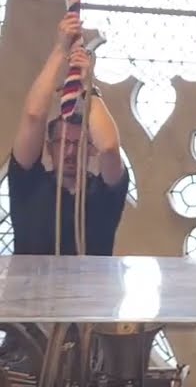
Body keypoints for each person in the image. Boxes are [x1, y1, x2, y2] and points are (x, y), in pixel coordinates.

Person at [9, 13, 128, 256]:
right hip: (33, 294)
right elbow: (33, 116)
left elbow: (109, 147)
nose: (71, 151)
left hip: (89, 294)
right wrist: (60, 49)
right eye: (62, 142)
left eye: (79, 143)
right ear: (50, 147)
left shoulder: (104, 192)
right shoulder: (30, 183)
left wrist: (87, 87)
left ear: (90, 149)